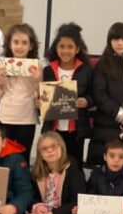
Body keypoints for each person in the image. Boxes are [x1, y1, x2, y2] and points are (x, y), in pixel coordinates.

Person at [88, 22, 123, 166]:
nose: (120, 43)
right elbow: (99, 94)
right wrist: (120, 114)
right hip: (106, 126)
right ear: (109, 41)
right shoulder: (102, 65)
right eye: (115, 39)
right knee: (105, 169)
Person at [40, 22, 94, 168]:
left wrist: (86, 101)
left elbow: (93, 95)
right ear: (56, 48)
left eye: (70, 47)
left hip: (76, 129)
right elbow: (43, 97)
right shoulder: (48, 70)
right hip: (53, 128)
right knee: (52, 165)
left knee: (74, 165)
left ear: (77, 49)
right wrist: (41, 102)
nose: (65, 51)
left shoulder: (86, 71)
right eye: (62, 46)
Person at [0, 23, 41, 155]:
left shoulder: (37, 67)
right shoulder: (1, 66)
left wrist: (37, 80)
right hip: (5, 117)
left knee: (23, 157)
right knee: (3, 157)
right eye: (16, 42)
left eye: (24, 43)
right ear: (9, 44)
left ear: (31, 46)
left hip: (27, 118)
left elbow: (42, 97)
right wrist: (0, 83)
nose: (20, 46)